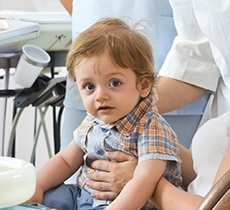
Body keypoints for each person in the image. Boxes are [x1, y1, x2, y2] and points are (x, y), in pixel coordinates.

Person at [27, 18, 182, 210]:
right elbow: (66, 160)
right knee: (41, 198)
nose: (100, 96)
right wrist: (37, 186)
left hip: (120, 204)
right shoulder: (93, 121)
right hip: (81, 194)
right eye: (89, 86)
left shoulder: (151, 128)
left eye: (114, 83)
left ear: (143, 85)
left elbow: (144, 182)